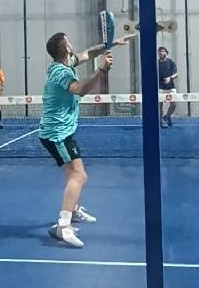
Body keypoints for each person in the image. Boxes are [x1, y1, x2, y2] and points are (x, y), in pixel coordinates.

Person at [40, 31, 134, 248]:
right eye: (68, 41)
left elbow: (88, 53)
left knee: (73, 175)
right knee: (79, 176)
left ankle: (71, 210)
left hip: (62, 132)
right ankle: (63, 226)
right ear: (66, 49)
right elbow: (80, 90)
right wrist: (101, 69)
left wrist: (112, 43)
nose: (71, 43)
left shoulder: (66, 62)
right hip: (57, 135)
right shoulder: (61, 73)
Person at [158, 46, 178, 128]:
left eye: (163, 51)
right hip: (160, 88)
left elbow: (176, 74)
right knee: (159, 106)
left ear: (166, 53)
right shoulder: (156, 63)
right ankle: (160, 122)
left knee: (174, 104)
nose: (161, 53)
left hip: (170, 88)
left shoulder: (171, 62)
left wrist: (170, 78)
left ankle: (167, 116)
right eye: (159, 51)